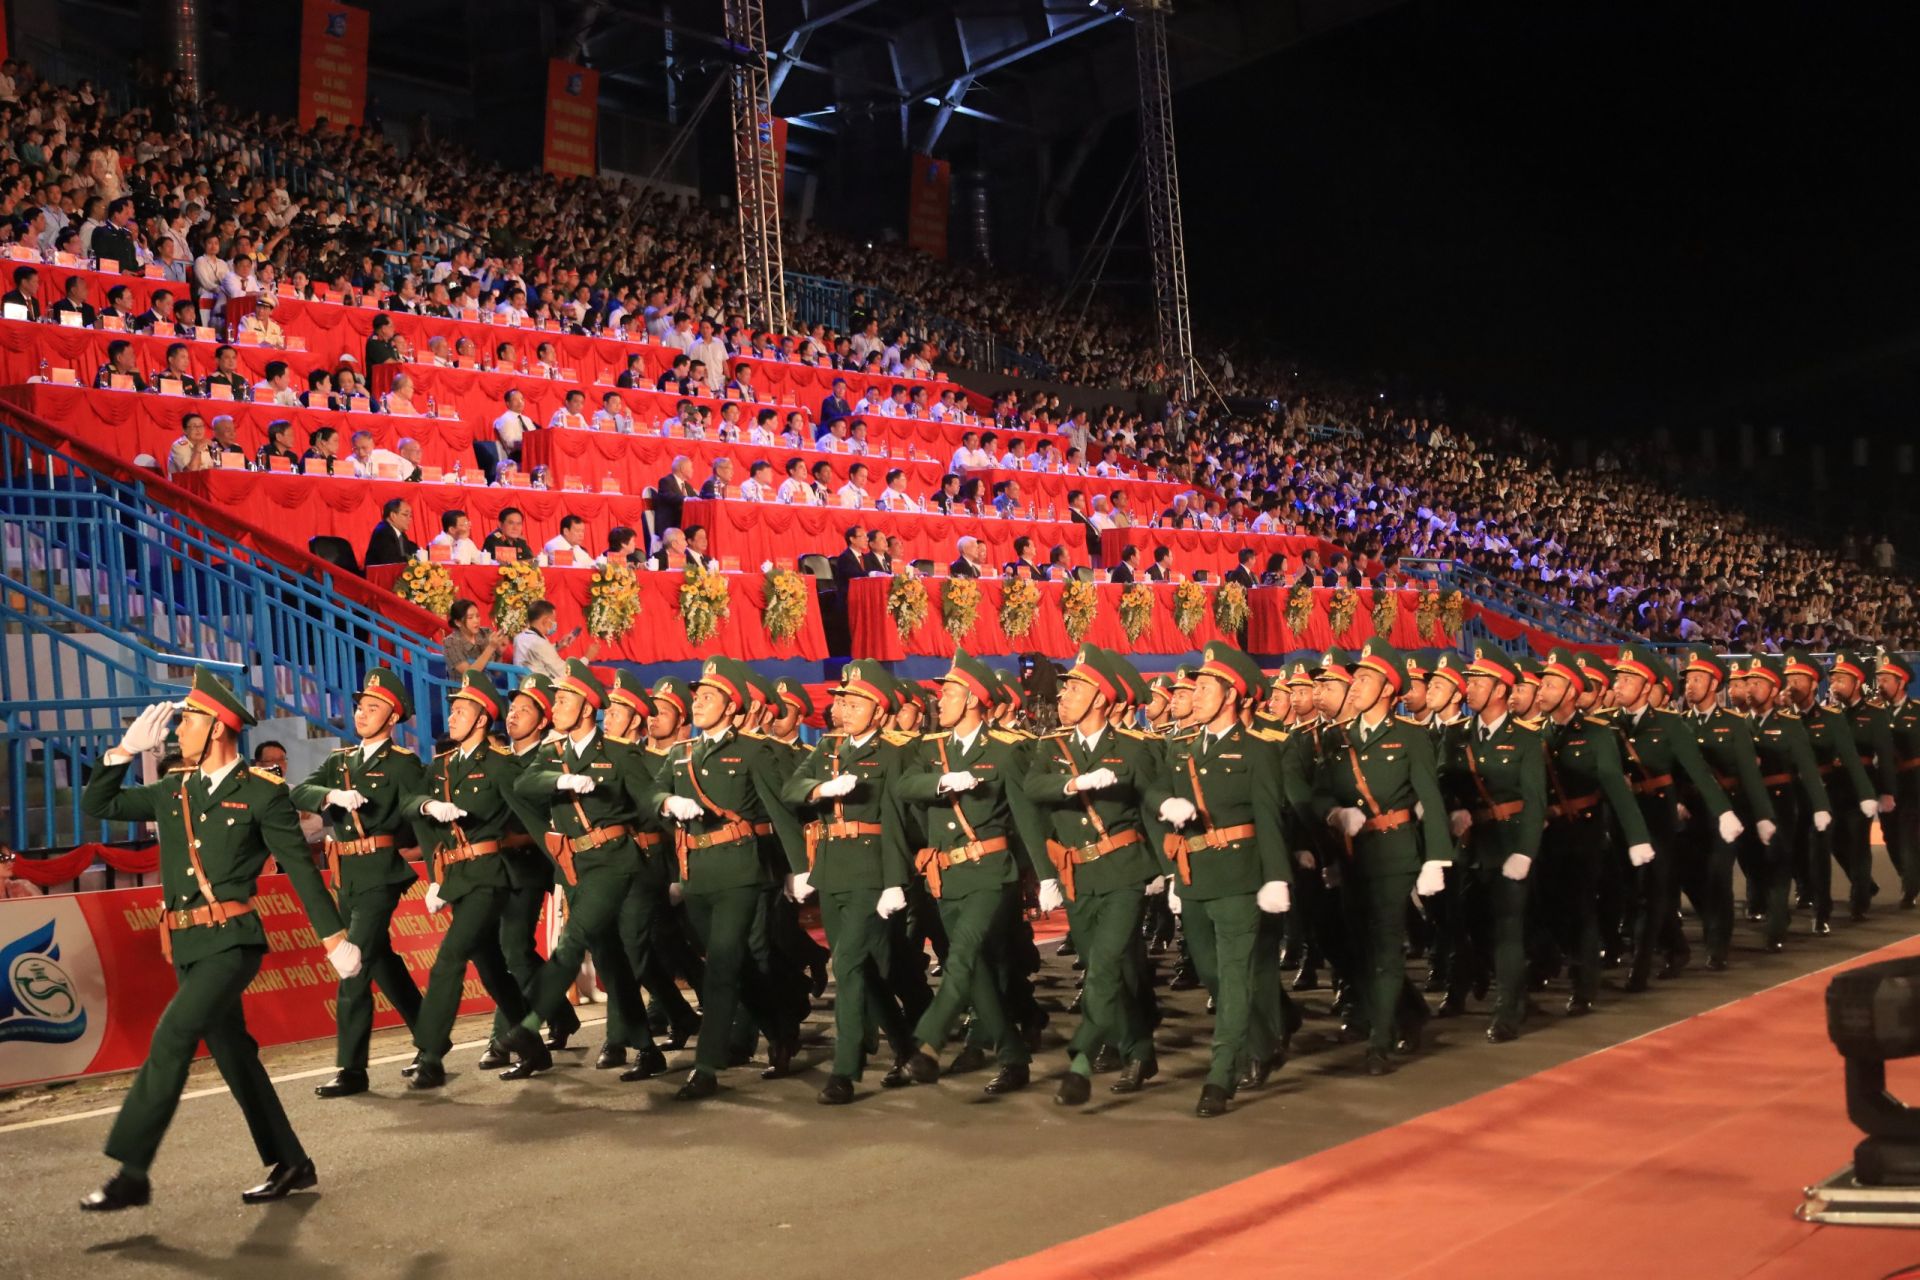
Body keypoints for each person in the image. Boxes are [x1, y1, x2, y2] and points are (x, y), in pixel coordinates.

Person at [75, 670, 358, 1211]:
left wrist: (334, 938)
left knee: (172, 1036)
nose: (179, 731)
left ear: (220, 728)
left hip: (231, 943)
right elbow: (101, 807)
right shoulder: (172, 789)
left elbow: (300, 868)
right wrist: (120, 753)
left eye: (190, 721)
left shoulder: (260, 792)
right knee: (234, 1054)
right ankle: (291, 1161)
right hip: (184, 945)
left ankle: (133, 1171)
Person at [646, 657, 810, 1099]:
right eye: (696, 696)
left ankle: (706, 1067)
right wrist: (666, 803)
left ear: (731, 705)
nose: (697, 703)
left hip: (742, 872)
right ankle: (780, 1028)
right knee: (736, 966)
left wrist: (799, 868)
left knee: (721, 967)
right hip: (697, 875)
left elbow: (781, 811)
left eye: (708, 697)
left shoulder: (754, 751)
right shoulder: (681, 755)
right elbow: (650, 793)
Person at [894, 651, 1049, 1097]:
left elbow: (1025, 814)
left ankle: (928, 1042)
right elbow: (904, 787)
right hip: (945, 878)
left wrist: (1042, 874)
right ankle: (1014, 1057)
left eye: (950, 693)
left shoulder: (1006, 749)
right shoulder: (929, 749)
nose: (940, 700)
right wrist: (941, 782)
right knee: (977, 973)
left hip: (990, 873)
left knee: (960, 957)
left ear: (975, 700)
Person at [1027, 646, 1170, 1104]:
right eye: (1065, 686)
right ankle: (1140, 1050)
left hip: (1124, 871)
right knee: (1111, 967)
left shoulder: (1133, 747)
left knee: (1105, 967)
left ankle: (1082, 1060)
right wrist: (1072, 784)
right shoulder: (1052, 747)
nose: (1064, 694)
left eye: (1076, 687)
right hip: (1078, 873)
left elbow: (1152, 805)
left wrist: (1165, 873)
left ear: (1102, 700)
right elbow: (1033, 790)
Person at [289, 669, 427, 1098]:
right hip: (345, 874)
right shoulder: (340, 760)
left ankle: (351, 1067)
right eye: (360, 706)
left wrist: (438, 875)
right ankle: (432, 1037)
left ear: (391, 718)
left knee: (352, 964)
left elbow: (418, 817)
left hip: (380, 871)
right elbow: (301, 791)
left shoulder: (403, 763)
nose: (362, 714)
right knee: (380, 960)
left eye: (372, 708)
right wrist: (329, 796)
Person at [399, 675, 541, 1091]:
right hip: (457, 877)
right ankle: (532, 1045)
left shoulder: (500, 766)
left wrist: (567, 872)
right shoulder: (442, 766)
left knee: (450, 958)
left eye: (462, 710)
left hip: (490, 876)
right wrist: (427, 805)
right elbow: (410, 804)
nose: (453, 716)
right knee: (491, 967)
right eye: (453, 708)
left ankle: (430, 1054)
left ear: (483, 719)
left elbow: (532, 819)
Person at [1440, 647, 1547, 1042]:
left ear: (1501, 689)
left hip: (1509, 845)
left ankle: (1508, 1010)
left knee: (1507, 931)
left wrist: (1525, 851)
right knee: (1471, 927)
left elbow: (1536, 801)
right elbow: (1444, 784)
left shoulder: (1524, 740)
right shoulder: (1458, 736)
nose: (1470, 689)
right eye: (1470, 681)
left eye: (1480, 682)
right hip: (1472, 846)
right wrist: (1452, 812)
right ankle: (1505, 987)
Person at [513, 600, 596, 678]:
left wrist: (558, 645)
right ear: (545, 621)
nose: (554, 624)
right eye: (553, 620)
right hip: (539, 688)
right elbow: (565, 672)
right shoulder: (540, 643)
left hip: (523, 682)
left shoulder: (519, 637)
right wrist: (587, 658)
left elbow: (538, 654)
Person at [442, 599, 499, 676]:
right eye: (470, 618)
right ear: (458, 622)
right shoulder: (451, 642)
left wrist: (500, 652)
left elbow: (497, 673)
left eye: (477, 616)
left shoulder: (486, 633)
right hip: (462, 687)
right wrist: (491, 647)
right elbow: (469, 674)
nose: (476, 621)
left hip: (488, 685)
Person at [363, 499, 419, 568]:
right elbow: (391, 561)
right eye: (405, 514)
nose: (410, 519)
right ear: (393, 515)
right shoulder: (383, 532)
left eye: (410, 516)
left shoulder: (402, 535)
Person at [167, 412, 215, 478]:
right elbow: (190, 473)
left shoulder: (205, 444)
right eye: (194, 426)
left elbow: (214, 468)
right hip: (182, 485)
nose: (198, 430)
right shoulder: (178, 446)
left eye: (201, 426)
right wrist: (197, 451)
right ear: (185, 430)